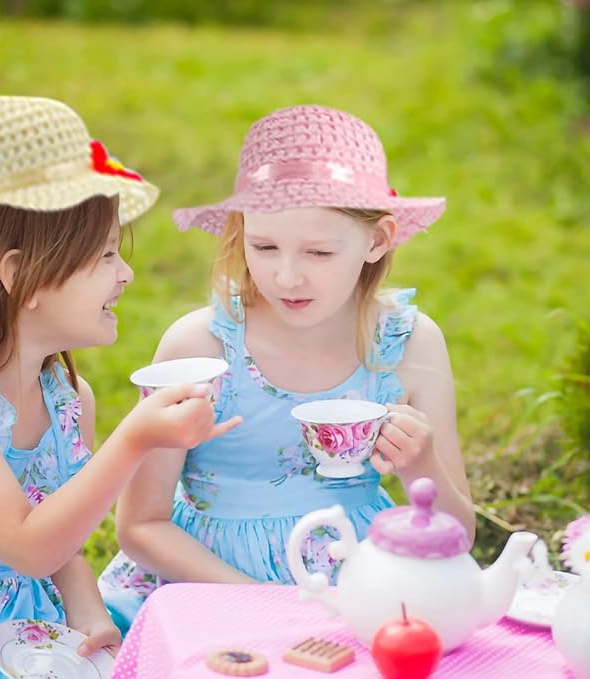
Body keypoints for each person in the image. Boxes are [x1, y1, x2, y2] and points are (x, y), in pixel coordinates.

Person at [98, 104, 476, 634]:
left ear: (378, 240)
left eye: (319, 253)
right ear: (240, 232)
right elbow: (141, 525)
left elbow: (459, 534)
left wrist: (421, 467)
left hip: (357, 584)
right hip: (207, 583)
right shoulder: (200, 346)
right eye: (264, 246)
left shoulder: (410, 344)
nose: (288, 276)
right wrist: (266, 603)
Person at [0, 96, 240, 678]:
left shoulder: (68, 399)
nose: (127, 272)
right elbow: (27, 544)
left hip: (32, 633)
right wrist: (135, 440)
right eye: (107, 254)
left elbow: (58, 544)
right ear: (19, 276)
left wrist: (87, 608)